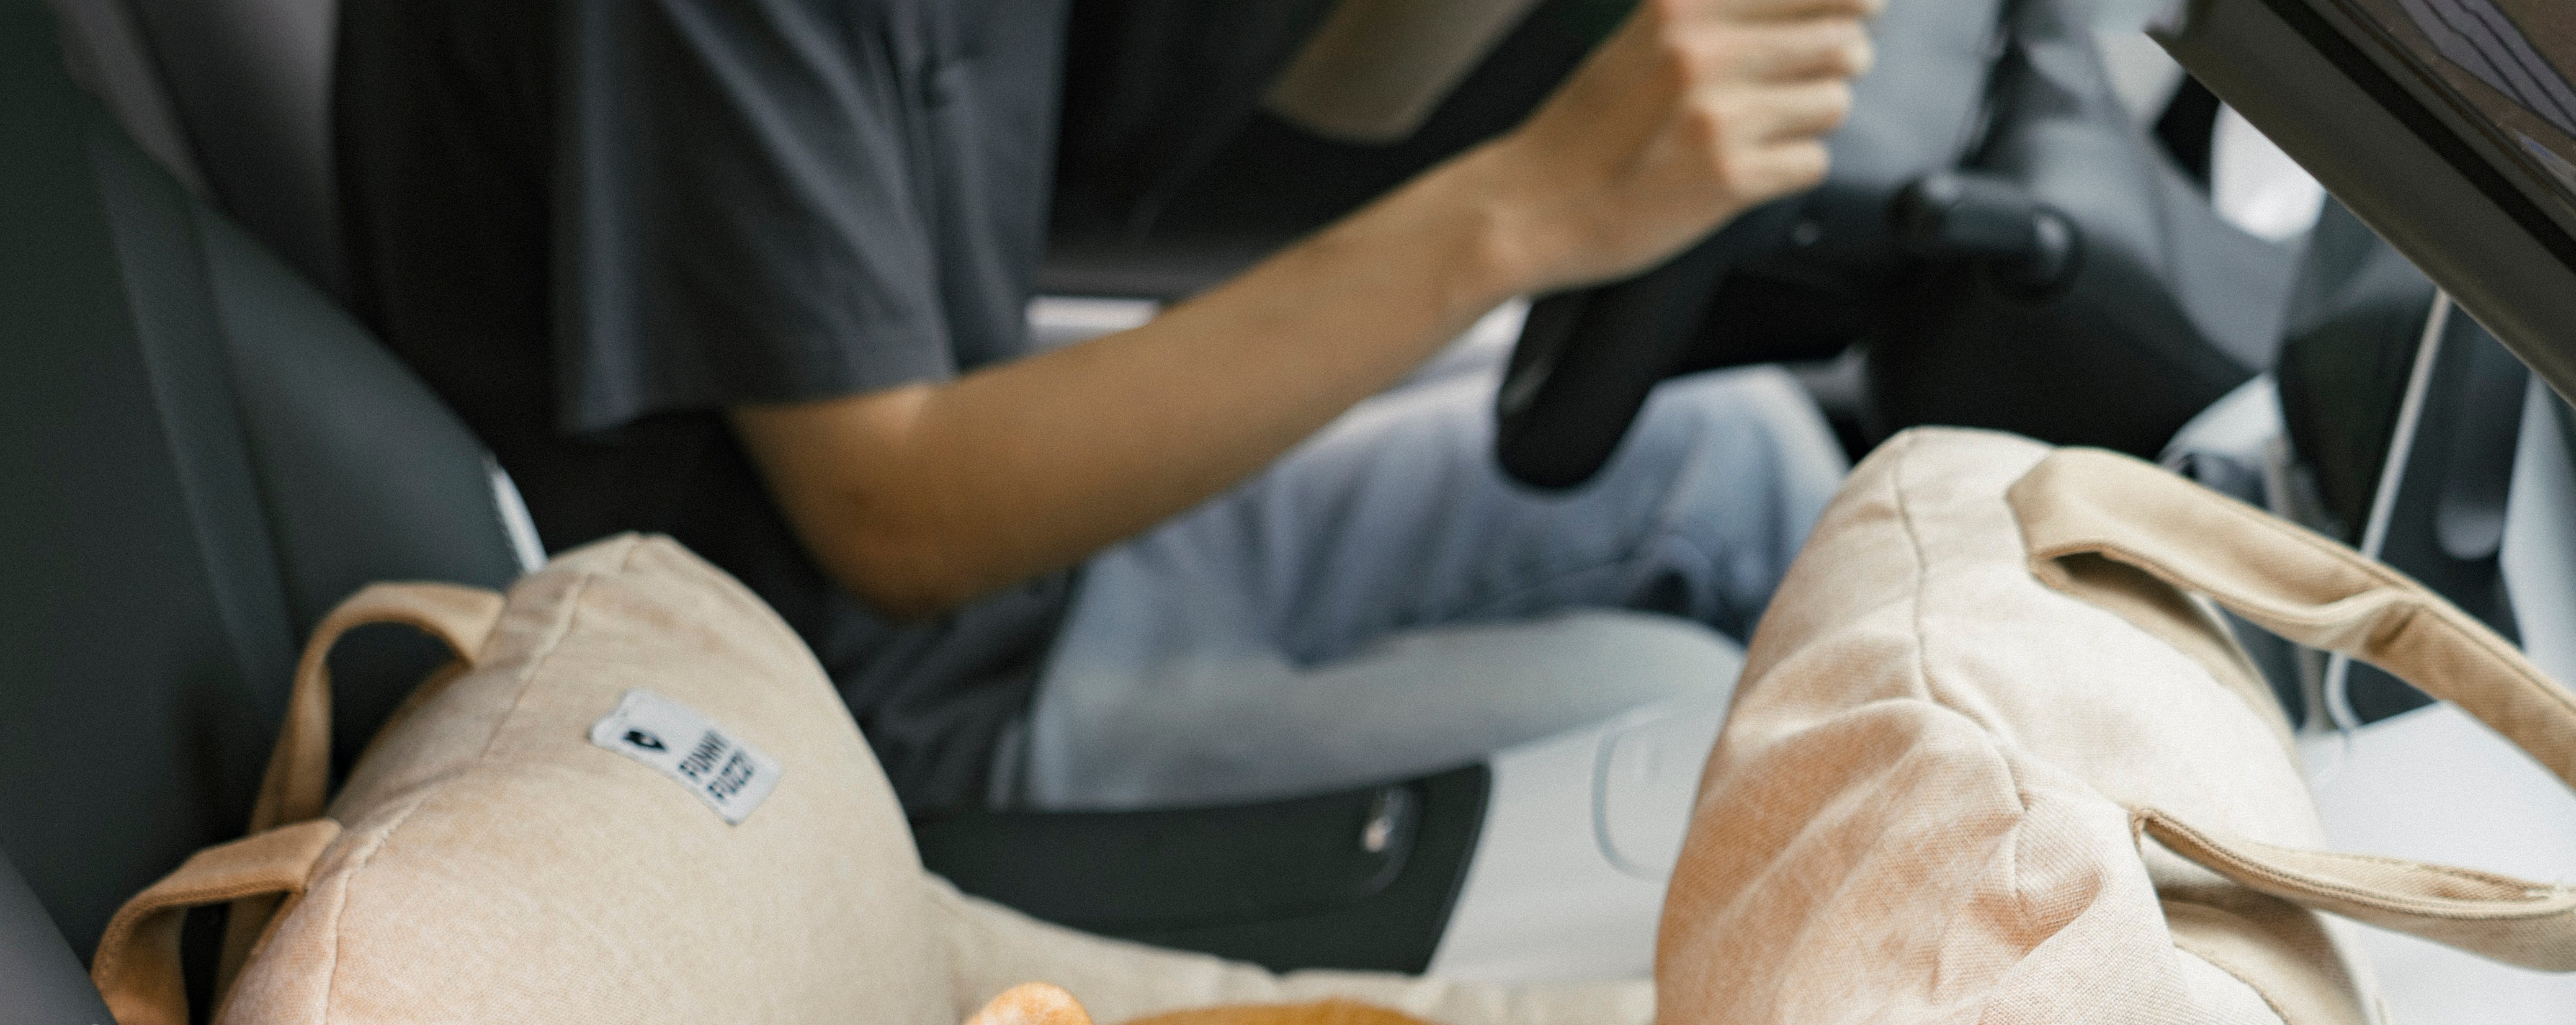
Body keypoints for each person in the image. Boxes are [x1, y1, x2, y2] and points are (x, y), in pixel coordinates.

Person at [337, 0, 1877, 817]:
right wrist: (1530, 208)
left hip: (1047, 573)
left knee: (1738, 464)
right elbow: (897, 512)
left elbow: (1230, 121)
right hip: (855, 728)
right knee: (1707, 736)